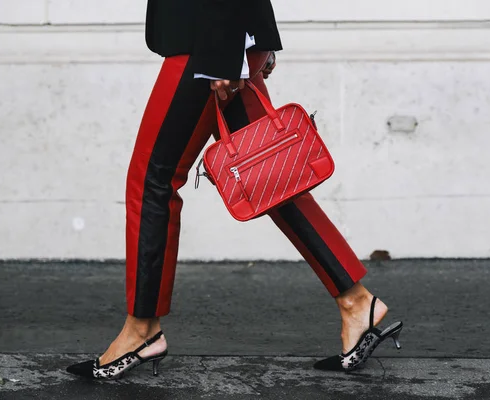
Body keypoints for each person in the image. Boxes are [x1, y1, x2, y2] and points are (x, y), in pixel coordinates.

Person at [66, 0, 403, 379]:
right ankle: (357, 302)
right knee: (271, 175)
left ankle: (141, 329)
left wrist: (225, 52)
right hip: (224, 36)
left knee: (152, 181)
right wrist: (249, 38)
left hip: (207, 41)